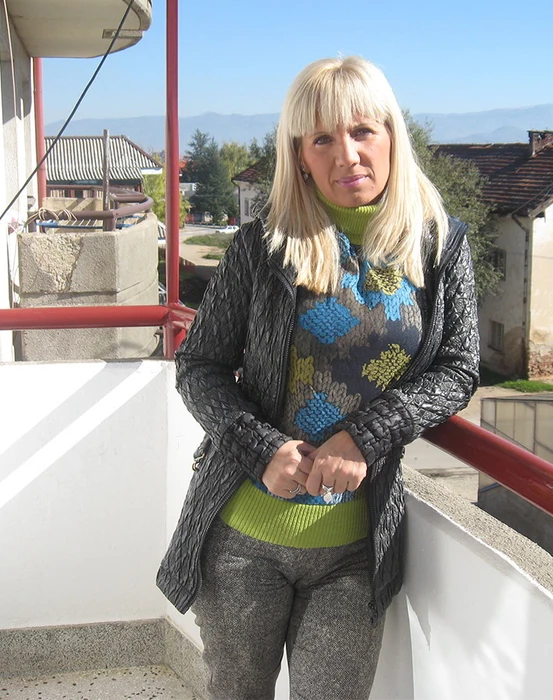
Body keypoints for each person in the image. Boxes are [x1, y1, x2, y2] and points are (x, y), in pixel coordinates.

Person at [157, 56, 480, 699]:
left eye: (363, 131)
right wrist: (261, 448)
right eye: (323, 139)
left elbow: (459, 366)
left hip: (356, 547)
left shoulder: (439, 244)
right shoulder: (264, 245)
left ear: (391, 135)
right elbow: (199, 365)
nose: (347, 155)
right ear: (300, 155)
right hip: (242, 538)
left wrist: (365, 436)